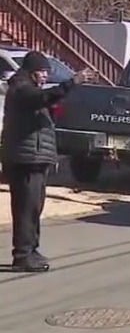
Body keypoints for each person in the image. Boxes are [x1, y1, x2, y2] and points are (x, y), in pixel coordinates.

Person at [1, 52, 93, 272]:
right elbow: (42, 98)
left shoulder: (29, 89)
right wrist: (72, 82)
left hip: (35, 159)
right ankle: (22, 255)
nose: (45, 76)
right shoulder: (21, 89)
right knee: (25, 208)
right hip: (25, 160)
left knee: (34, 208)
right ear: (32, 71)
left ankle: (32, 249)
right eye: (43, 72)